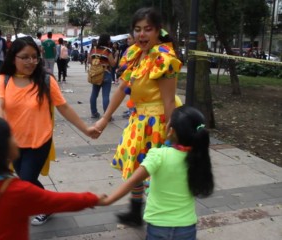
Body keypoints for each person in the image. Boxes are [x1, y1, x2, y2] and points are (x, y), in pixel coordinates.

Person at [0, 37, 101, 225]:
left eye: (34, 57)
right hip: (14, 143)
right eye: (25, 57)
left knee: (25, 182)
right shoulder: (3, 80)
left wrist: (86, 129)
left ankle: (49, 204)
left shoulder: (46, 81)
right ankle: (48, 203)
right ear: (12, 58)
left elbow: (64, 107)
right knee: (28, 181)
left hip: (39, 141)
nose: (31, 62)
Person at [94, 8, 183, 226]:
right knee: (135, 167)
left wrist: (172, 137)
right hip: (139, 120)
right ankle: (135, 212)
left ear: (157, 31)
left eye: (147, 29)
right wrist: (105, 118)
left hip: (159, 123)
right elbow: (124, 87)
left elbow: (169, 101)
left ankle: (159, 218)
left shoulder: (164, 59)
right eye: (138, 30)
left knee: (156, 176)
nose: (142, 34)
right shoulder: (136, 54)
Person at [101, 106, 214, 240]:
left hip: (158, 227)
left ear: (171, 131)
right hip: (187, 227)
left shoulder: (158, 156)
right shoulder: (199, 158)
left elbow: (132, 181)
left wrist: (109, 200)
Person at [88, 33, 117, 119]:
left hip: (95, 74)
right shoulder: (108, 51)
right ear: (107, 41)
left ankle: (94, 113)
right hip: (106, 74)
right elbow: (113, 64)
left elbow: (89, 61)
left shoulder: (94, 49)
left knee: (94, 94)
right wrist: (116, 56)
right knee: (105, 95)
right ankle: (107, 116)